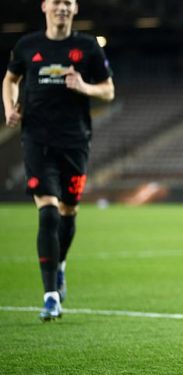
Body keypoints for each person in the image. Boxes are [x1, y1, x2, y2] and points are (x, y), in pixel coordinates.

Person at [2, 0, 115, 321]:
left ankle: (60, 263)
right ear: (45, 6)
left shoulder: (87, 46)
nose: (62, 7)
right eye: (57, 2)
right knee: (48, 212)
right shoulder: (27, 46)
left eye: (68, 2)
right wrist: (10, 107)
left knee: (68, 212)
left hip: (75, 141)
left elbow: (108, 91)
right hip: (36, 139)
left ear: (75, 8)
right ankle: (51, 295)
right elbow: (10, 79)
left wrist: (83, 86)